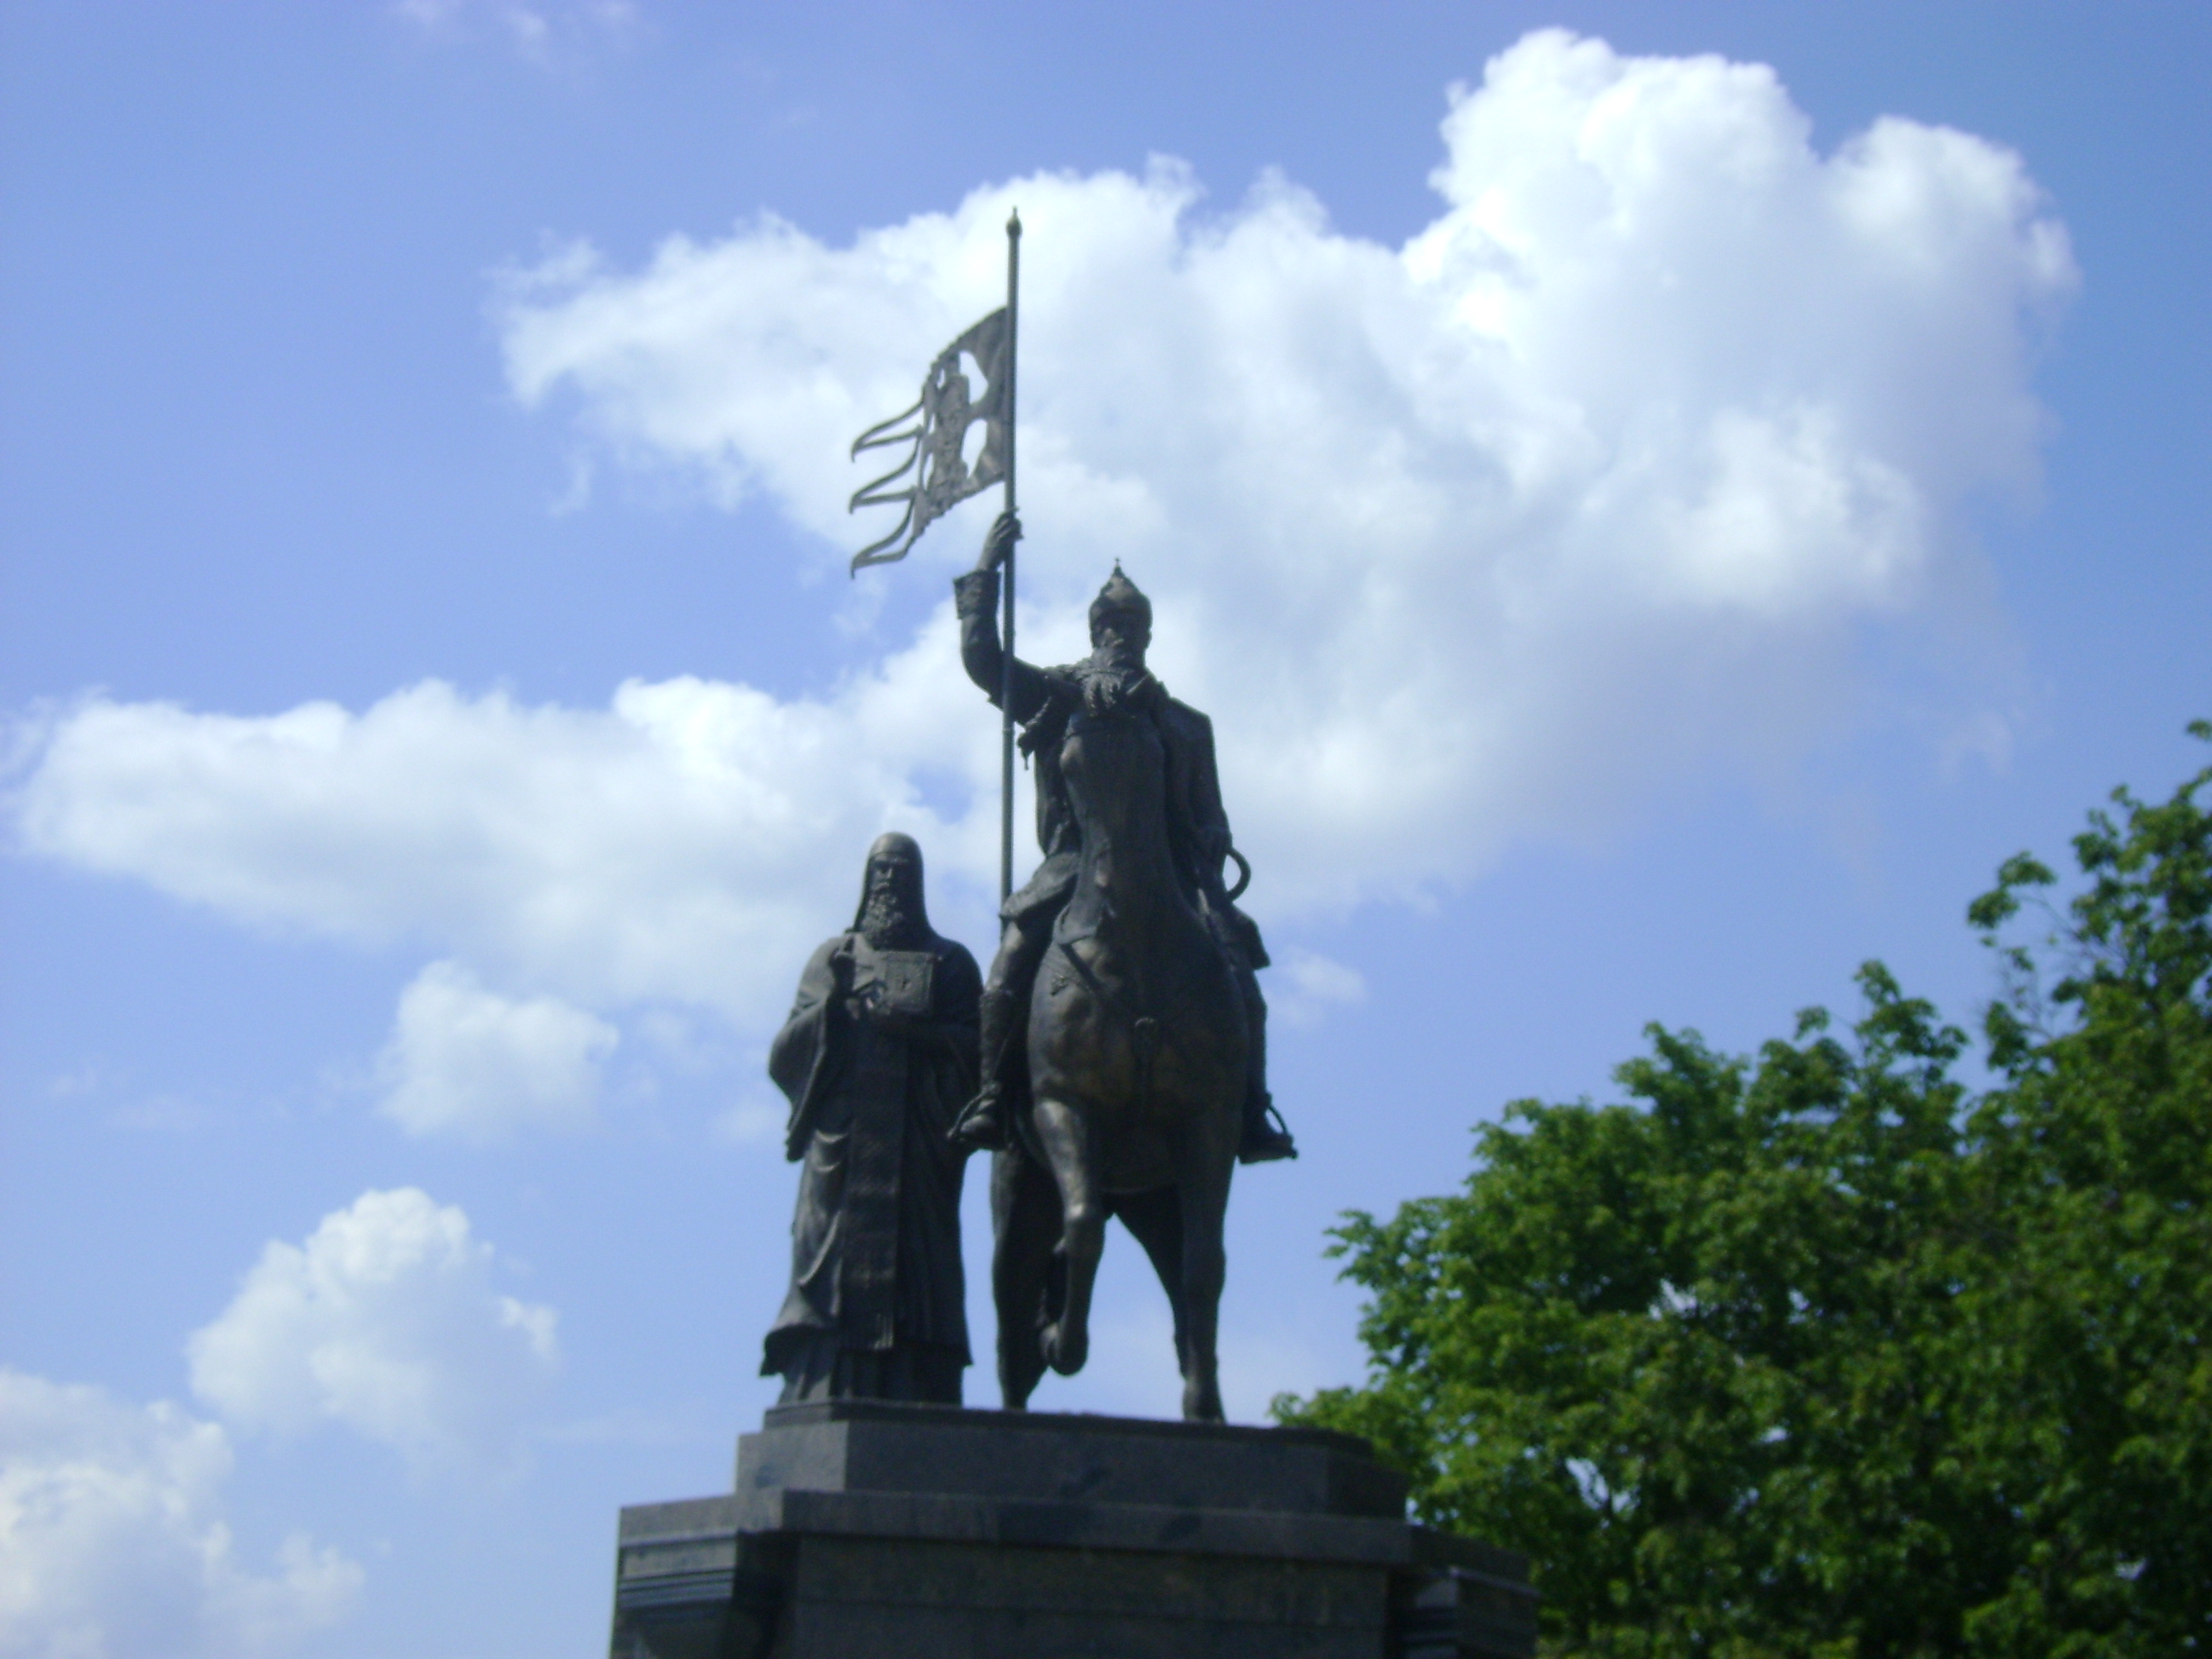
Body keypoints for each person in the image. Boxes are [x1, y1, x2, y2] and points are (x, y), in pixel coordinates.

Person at [948, 510, 1296, 1164]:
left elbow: (1211, 811)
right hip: (1073, 868)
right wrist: (986, 572)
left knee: (1240, 971)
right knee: (1011, 965)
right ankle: (992, 1094)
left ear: (1149, 634)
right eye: (1109, 624)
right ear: (1093, 631)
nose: (1119, 633)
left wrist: (1213, 839)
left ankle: (1252, 1108)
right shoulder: (1058, 697)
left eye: (1131, 625)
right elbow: (980, 659)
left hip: (1176, 874)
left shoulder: (1188, 725)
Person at [761, 833, 982, 1403]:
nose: (890, 881)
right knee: (827, 1256)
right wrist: (834, 1004)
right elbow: (784, 1052)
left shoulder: (952, 962)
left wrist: (917, 1032)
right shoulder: (832, 957)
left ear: (919, 882)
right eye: (881, 870)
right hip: (844, 1138)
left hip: (917, 1141)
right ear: (866, 879)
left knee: (920, 1265)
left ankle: (918, 1383)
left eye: (902, 871)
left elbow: (984, 1052)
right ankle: (819, 1378)